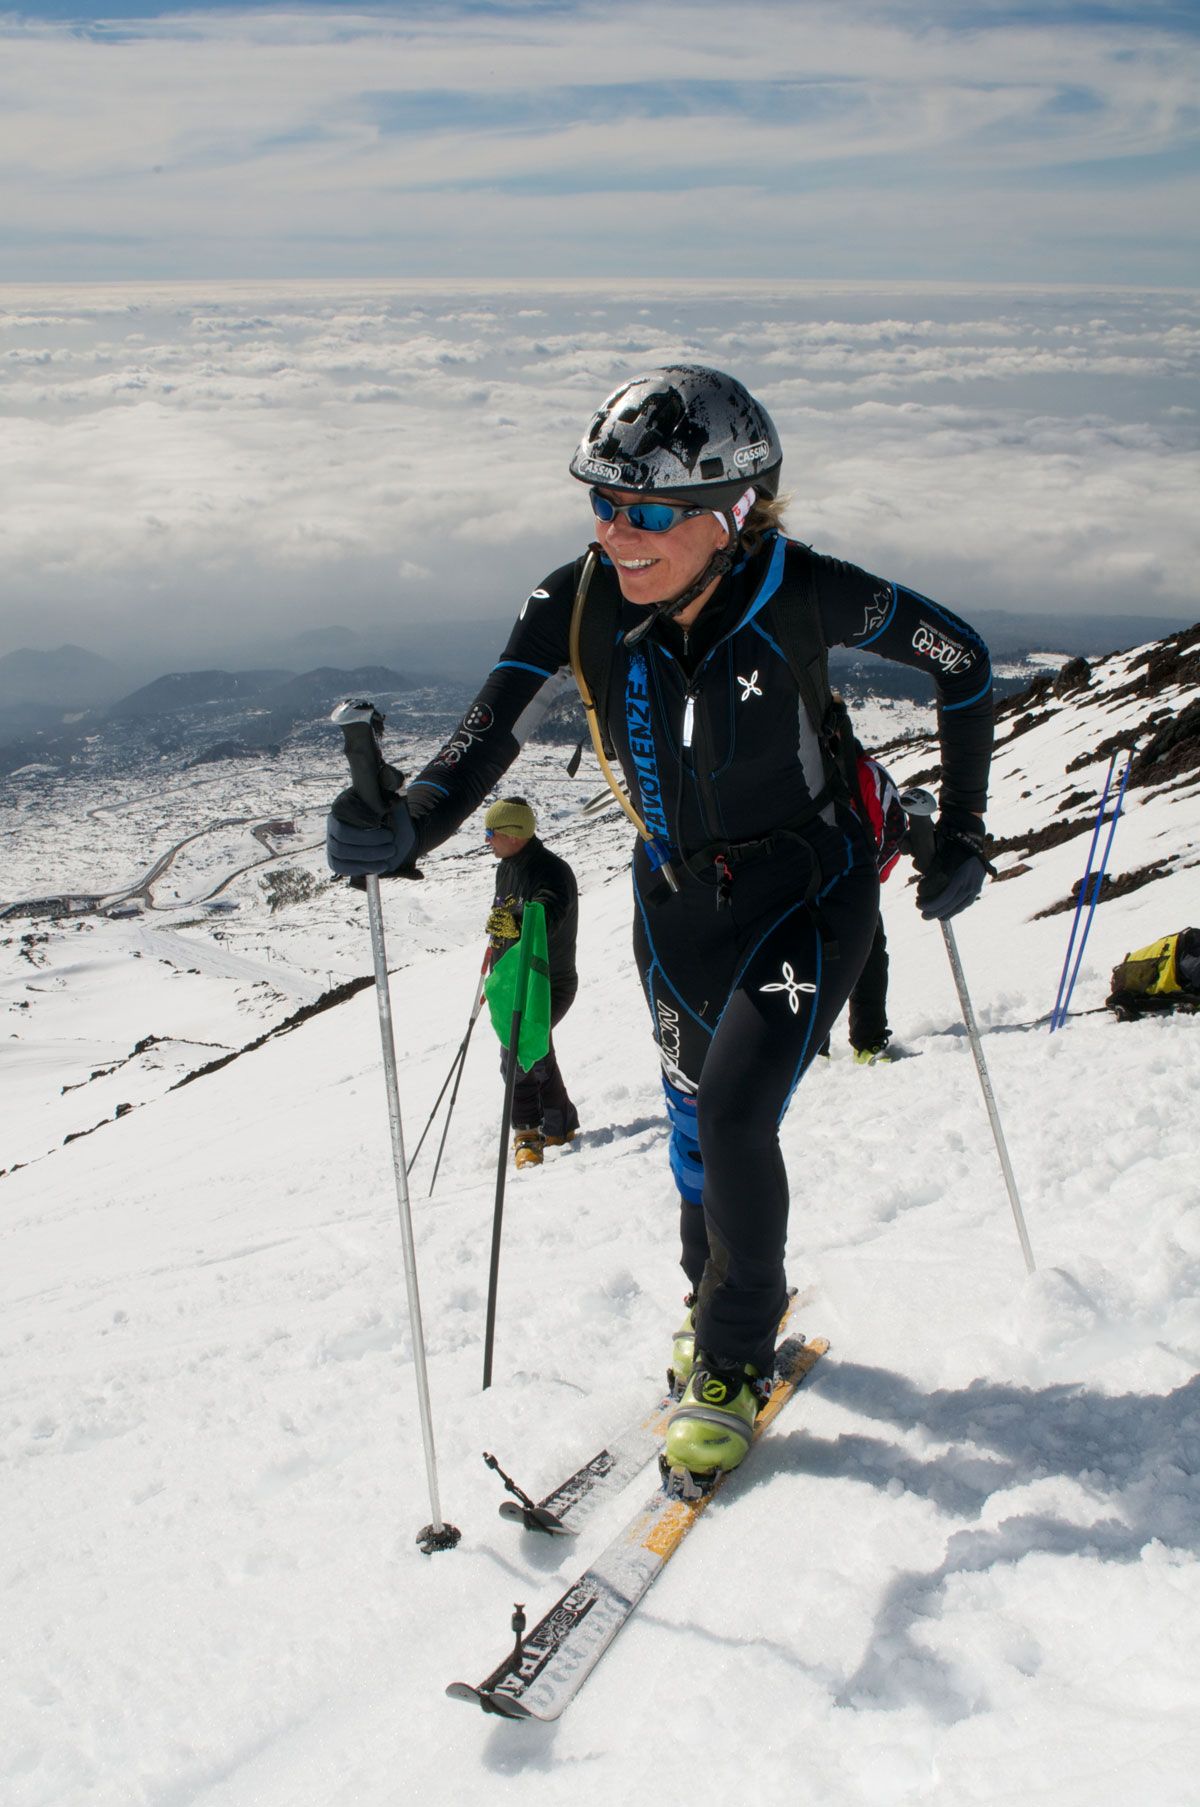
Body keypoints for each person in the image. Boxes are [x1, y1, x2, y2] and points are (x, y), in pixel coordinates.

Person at [327, 365, 994, 1479]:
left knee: (736, 1114)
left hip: (808, 891)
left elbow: (962, 662)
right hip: (675, 899)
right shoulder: (575, 598)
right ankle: (713, 1295)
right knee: (693, 1132)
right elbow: (487, 730)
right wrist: (412, 825)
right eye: (602, 502)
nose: (615, 531)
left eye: (646, 511)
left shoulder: (803, 588)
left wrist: (964, 832)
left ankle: (733, 1355)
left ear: (734, 510)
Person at [482, 795, 580, 1169]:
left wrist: (518, 917)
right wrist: (496, 952)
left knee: (518, 1050)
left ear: (514, 833)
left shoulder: (552, 872)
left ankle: (527, 1134)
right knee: (537, 1054)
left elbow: (548, 912)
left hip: (549, 983)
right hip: (515, 981)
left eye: (492, 832)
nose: (487, 840)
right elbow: (502, 915)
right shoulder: (506, 866)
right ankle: (561, 1124)